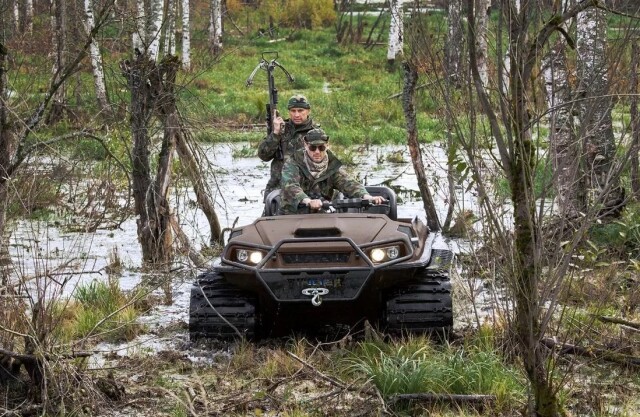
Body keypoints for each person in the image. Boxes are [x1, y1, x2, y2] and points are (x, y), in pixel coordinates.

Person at [280, 128, 384, 214]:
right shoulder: (292, 163)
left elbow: (348, 183)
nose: (317, 152)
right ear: (305, 145)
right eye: (312, 148)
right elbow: (290, 186)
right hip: (292, 215)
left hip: (322, 215)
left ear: (327, 146)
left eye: (321, 148)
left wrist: (367, 197)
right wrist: (308, 201)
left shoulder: (332, 165)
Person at [258, 94, 319, 199]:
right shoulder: (281, 129)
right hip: (277, 190)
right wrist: (275, 134)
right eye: (293, 111)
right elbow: (264, 155)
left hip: (305, 193)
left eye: (300, 111)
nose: (296, 114)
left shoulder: (316, 133)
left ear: (308, 111)